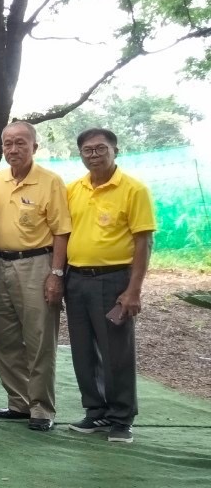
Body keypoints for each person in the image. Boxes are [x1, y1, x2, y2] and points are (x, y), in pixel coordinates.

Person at [64, 128, 155, 444]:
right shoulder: (73, 189)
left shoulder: (133, 189)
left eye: (101, 148)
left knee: (116, 351)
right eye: (87, 150)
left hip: (114, 279)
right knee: (82, 350)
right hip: (76, 279)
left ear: (115, 150)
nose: (94, 155)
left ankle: (121, 418)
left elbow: (143, 242)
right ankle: (96, 410)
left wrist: (134, 290)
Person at [0, 122, 71, 431]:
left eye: (21, 142)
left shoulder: (50, 182)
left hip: (37, 264)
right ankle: (19, 402)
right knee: (4, 337)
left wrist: (56, 274)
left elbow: (61, 231)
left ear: (34, 146)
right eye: (7, 143)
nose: (13, 149)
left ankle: (42, 408)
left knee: (39, 337)